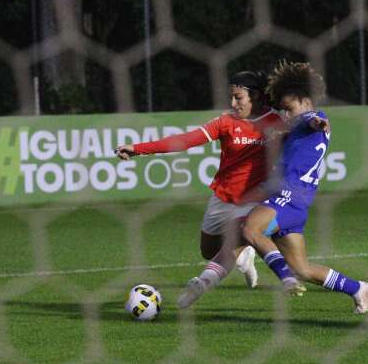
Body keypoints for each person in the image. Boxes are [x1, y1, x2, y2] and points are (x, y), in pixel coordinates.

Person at [115, 71, 301, 296]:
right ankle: (245, 258)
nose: (233, 103)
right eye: (231, 97)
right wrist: (138, 149)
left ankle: (274, 275)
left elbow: (303, 136)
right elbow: (184, 141)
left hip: (254, 199)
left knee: (244, 235)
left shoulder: (276, 122)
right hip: (223, 196)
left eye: (238, 97)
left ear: (256, 96)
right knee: (208, 250)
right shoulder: (226, 122)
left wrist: (319, 126)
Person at [241, 60, 368, 314]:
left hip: (287, 197)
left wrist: (315, 123)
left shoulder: (311, 118)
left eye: (289, 109)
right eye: (283, 111)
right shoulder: (295, 129)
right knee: (301, 268)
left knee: (249, 229)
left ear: (305, 101)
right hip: (297, 203)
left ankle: (280, 277)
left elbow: (313, 120)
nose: (286, 115)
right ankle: (358, 288)